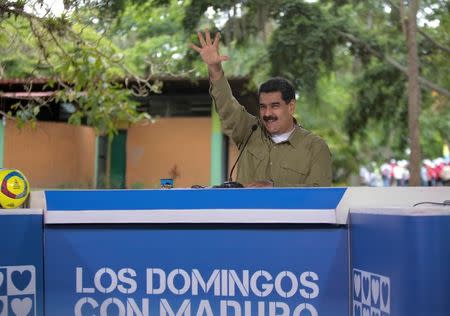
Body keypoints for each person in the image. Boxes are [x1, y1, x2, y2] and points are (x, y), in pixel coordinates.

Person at [191, 30, 332, 187]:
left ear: (291, 106)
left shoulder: (315, 147)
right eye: (263, 107)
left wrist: (273, 188)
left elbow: (320, 197)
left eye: (275, 106)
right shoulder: (248, 131)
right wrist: (215, 70)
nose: (267, 113)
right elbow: (227, 105)